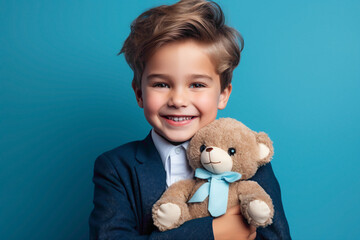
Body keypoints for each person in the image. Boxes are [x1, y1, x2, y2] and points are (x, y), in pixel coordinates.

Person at [89, 0, 291, 239]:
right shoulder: (116, 167)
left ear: (223, 94)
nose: (178, 99)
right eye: (161, 84)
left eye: (197, 84)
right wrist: (213, 232)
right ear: (139, 93)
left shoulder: (250, 162)